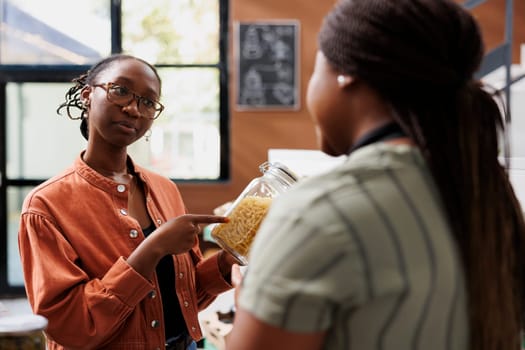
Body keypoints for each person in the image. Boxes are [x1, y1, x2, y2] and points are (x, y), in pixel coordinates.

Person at [226, 0, 525, 349]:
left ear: (346, 74)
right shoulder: (491, 199)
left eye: (316, 64)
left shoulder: (318, 212)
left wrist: (249, 308)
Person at [18, 53, 237, 350]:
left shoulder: (165, 189)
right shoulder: (46, 205)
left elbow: (185, 297)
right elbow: (69, 326)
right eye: (120, 90)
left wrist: (228, 258)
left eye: (148, 102)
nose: (134, 109)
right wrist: (153, 248)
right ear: (87, 96)